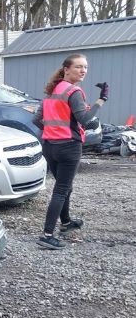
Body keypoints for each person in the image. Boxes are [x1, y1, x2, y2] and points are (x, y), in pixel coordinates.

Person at [33, 53, 108, 250]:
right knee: (61, 190)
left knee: (65, 186)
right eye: (78, 67)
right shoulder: (74, 92)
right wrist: (101, 101)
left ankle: (65, 222)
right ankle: (47, 235)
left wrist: (53, 130)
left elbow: (36, 120)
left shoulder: (51, 91)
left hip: (50, 146)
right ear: (66, 69)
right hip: (68, 147)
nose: (83, 70)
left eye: (85, 67)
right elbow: (86, 121)